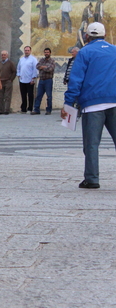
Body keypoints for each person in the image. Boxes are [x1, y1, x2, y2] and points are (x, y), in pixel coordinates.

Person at [61, 22, 116, 189]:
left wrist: (68, 103)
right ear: (104, 36)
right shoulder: (114, 50)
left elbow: (76, 80)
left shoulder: (84, 52)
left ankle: (92, 179)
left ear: (86, 36)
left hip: (92, 105)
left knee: (91, 144)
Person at [32, 47, 55, 115]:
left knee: (49, 96)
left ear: (50, 53)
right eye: (45, 52)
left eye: (47, 52)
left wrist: (42, 67)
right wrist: (44, 67)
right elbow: (37, 66)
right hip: (41, 80)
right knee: (38, 95)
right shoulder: (42, 60)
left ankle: (48, 110)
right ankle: (36, 109)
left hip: (48, 80)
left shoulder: (52, 61)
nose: (46, 53)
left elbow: (50, 69)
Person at [16, 46, 37, 113]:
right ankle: (23, 108)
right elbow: (18, 68)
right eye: (25, 50)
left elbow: (35, 69)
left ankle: (30, 108)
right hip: (22, 80)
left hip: (30, 80)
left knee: (30, 95)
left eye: (28, 50)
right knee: (23, 95)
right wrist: (18, 75)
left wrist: (33, 79)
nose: (26, 51)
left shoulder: (33, 59)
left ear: (30, 51)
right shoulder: (21, 59)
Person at [0, 50, 16, 115]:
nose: (3, 56)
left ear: (7, 55)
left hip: (8, 81)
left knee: (7, 96)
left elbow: (14, 71)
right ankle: (0, 110)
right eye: (2, 55)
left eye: (4, 55)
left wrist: (11, 80)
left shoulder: (10, 63)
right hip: (0, 82)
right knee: (0, 96)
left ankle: (6, 110)